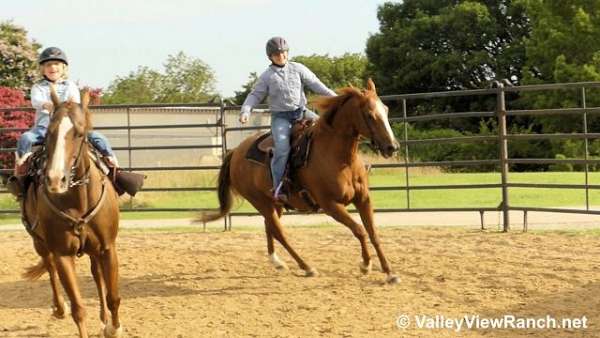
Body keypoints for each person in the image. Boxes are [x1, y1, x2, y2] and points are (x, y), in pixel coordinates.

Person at [239, 36, 336, 202]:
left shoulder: (298, 68)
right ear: (270, 56)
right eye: (277, 54)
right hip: (281, 118)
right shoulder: (267, 76)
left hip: (302, 112)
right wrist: (246, 110)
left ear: (287, 53)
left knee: (329, 129)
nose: (281, 56)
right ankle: (278, 187)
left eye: (283, 53)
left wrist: (336, 98)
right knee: (282, 148)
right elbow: (255, 95)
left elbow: (316, 84)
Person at [14, 46, 119, 176]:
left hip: (70, 127)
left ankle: (112, 165)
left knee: (98, 138)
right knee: (26, 138)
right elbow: (36, 101)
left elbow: (75, 104)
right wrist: (47, 105)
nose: (52, 67)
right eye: (48, 65)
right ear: (42, 69)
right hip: (45, 127)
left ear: (63, 68)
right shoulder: (38, 87)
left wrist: (63, 109)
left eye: (56, 64)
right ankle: (21, 169)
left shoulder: (70, 85)